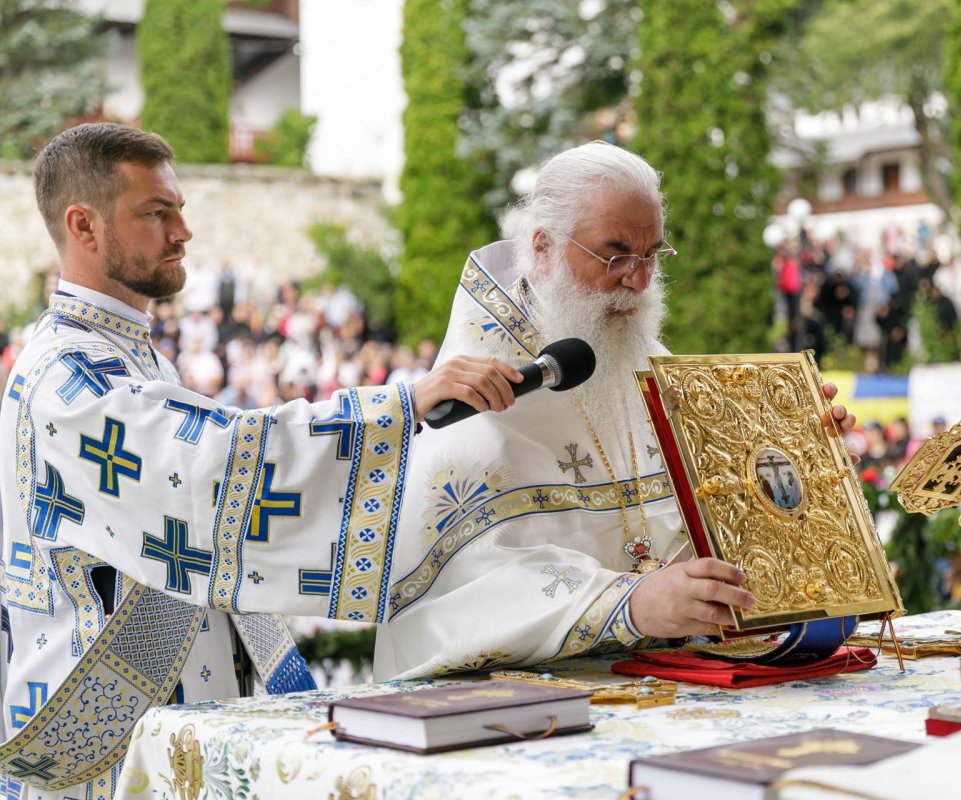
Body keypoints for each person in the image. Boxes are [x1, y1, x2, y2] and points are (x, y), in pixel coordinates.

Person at [0, 123, 519, 797]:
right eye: (158, 213)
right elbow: (211, 468)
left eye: (180, 208)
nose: (183, 231)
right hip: (104, 758)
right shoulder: (65, 377)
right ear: (84, 226)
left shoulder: (129, 354)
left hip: (158, 734)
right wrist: (403, 404)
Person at [375, 142, 855, 679]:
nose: (640, 278)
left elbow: (708, 521)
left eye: (652, 254)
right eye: (616, 254)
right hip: (521, 711)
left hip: (659, 682)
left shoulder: (640, 357)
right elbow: (462, 590)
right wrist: (628, 605)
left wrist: (793, 460)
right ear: (542, 247)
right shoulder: (476, 401)